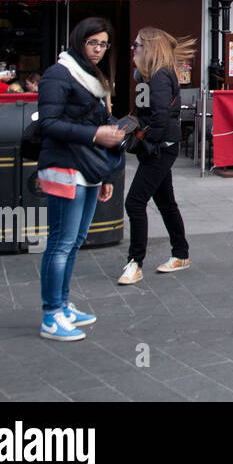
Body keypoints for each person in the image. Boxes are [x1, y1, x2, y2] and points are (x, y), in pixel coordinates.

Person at [35, 17, 127, 341]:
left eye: (103, 44)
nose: (99, 50)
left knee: (73, 243)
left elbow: (99, 125)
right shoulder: (58, 74)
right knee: (60, 244)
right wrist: (95, 135)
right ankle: (51, 315)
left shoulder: (95, 78)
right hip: (63, 166)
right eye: (93, 43)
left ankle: (62, 304)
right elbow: (48, 123)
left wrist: (106, 174)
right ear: (79, 41)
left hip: (88, 170)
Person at [118, 28, 194, 285]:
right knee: (165, 202)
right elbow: (148, 112)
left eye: (137, 45)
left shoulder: (159, 76)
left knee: (134, 203)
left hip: (160, 148)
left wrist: (148, 145)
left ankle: (135, 262)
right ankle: (180, 255)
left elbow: (161, 115)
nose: (134, 49)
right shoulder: (152, 74)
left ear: (149, 47)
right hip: (161, 145)